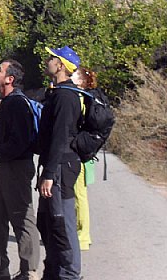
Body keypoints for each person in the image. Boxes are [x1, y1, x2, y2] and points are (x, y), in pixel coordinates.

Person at [0, 60, 40, 280]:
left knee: (22, 219)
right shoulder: (8, 102)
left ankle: (29, 272)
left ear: (10, 79)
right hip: (7, 167)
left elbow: (20, 143)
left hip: (17, 167)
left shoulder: (17, 104)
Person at [36, 46, 83, 280]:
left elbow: (61, 138)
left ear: (61, 65)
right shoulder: (57, 93)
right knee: (47, 222)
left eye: (52, 58)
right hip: (56, 165)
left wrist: (50, 174)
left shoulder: (66, 97)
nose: (48, 60)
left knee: (61, 222)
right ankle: (53, 271)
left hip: (62, 167)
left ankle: (70, 274)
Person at [70, 66, 97, 251]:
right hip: (85, 152)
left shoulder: (79, 98)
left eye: (74, 75)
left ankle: (83, 236)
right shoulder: (86, 98)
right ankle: (81, 234)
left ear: (81, 82)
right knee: (80, 195)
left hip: (79, 153)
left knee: (79, 196)